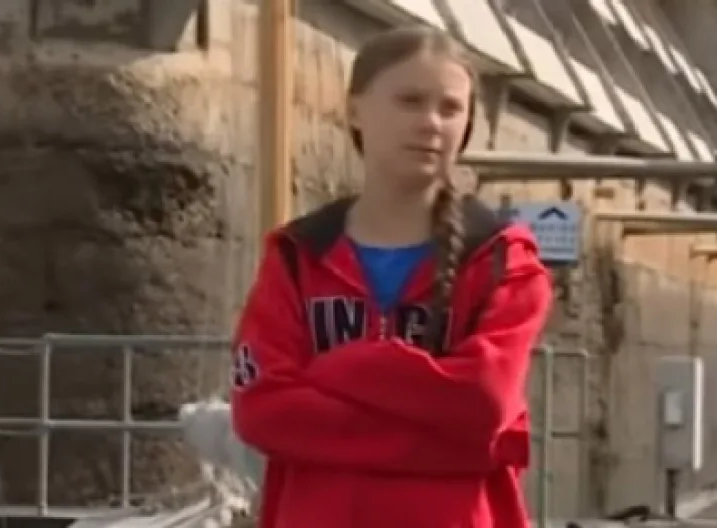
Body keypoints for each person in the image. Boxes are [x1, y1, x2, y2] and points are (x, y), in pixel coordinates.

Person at [229, 26, 553, 528]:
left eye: (451, 108)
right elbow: (263, 412)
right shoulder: (297, 257)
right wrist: (453, 445)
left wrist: (344, 367)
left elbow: (484, 401)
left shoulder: (502, 261)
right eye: (410, 101)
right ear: (356, 110)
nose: (431, 123)